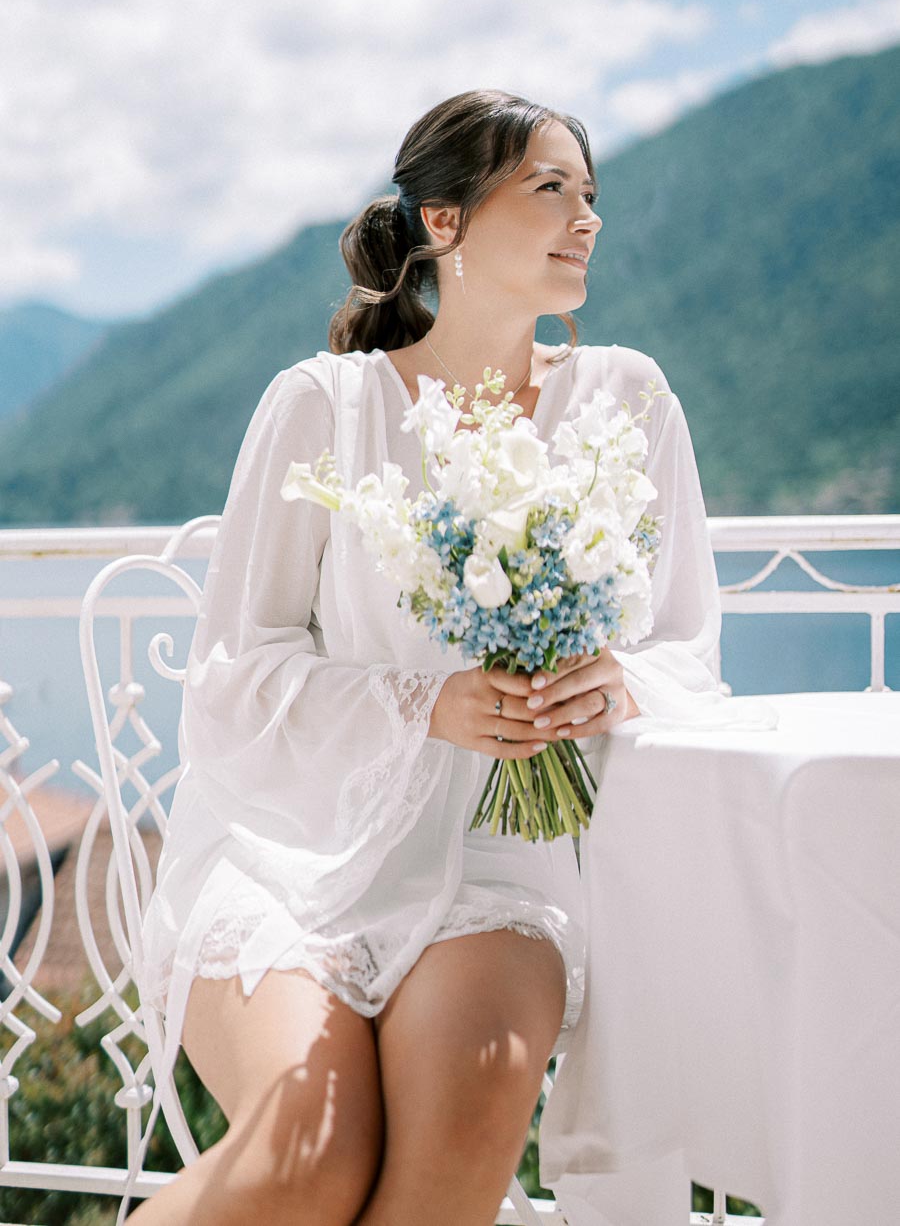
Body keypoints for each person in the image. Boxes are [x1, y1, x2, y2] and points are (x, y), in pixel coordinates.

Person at [134, 89, 724, 1225]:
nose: (586, 218)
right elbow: (231, 681)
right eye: (550, 189)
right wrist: (422, 704)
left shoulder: (628, 400)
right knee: (303, 1162)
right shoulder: (324, 407)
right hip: (293, 859)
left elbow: (688, 646)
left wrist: (622, 682)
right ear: (443, 223)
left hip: (504, 867)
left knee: (450, 1167)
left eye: (591, 195)